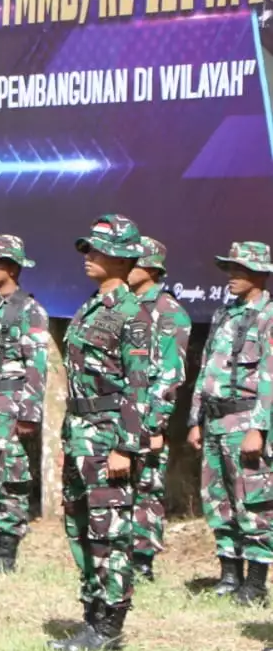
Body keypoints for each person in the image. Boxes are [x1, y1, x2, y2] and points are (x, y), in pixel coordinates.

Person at [47, 214, 151, 651]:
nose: (88, 256)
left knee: (111, 532)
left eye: (97, 250)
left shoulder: (133, 313)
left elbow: (139, 384)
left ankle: (109, 626)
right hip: (81, 432)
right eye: (88, 249)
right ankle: (91, 616)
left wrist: (126, 446)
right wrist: (68, 440)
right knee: (81, 526)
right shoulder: (93, 306)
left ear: (123, 256)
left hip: (109, 434)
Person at [185, 241, 273, 605]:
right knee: (217, 499)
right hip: (215, 421)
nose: (231, 276)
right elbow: (207, 370)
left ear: (260, 274)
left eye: (239, 269)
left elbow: (270, 376)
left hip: (245, 419)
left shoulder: (268, 316)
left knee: (253, 502)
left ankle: (254, 583)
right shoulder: (225, 313)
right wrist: (195, 420)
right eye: (229, 269)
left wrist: (259, 428)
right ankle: (229, 573)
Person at [0, 234, 52, 574]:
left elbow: (36, 365)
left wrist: (29, 414)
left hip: (12, 405)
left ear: (11, 268)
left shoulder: (29, 310)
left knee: (12, 477)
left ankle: (7, 550)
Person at [127, 237, 190, 581]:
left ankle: (142, 561)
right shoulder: (117, 306)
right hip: (116, 416)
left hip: (146, 419)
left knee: (146, 489)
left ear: (151, 269)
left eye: (134, 261)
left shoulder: (168, 313)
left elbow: (169, 376)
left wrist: (152, 425)